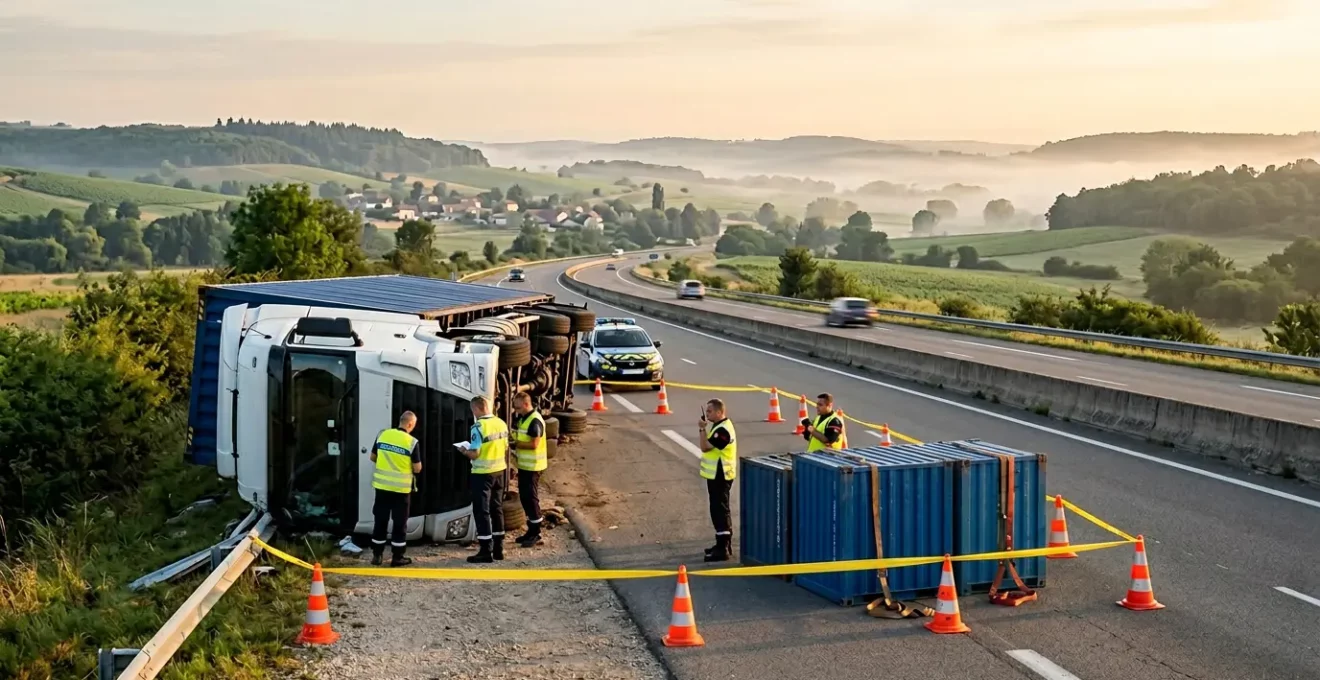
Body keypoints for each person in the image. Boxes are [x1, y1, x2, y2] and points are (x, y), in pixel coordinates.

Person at [462, 395, 509, 563]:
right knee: (497, 509)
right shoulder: (501, 423)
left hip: (482, 473)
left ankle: (485, 550)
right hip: (500, 471)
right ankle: (498, 548)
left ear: (476, 409)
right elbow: (505, 447)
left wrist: (464, 451)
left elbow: (475, 453)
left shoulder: (478, 427)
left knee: (482, 511)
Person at [370, 411, 421, 567]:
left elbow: (373, 457)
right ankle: (397, 557)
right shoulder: (412, 442)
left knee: (380, 520)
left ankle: (377, 556)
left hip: (382, 487)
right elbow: (417, 468)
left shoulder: (382, 435)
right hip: (401, 491)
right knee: (399, 523)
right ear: (410, 424)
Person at [697, 398, 737, 562]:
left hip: (721, 474)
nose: (707, 414)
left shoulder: (724, 431)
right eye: (706, 411)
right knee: (717, 509)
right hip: (716, 475)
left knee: (720, 510)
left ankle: (723, 548)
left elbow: (705, 447)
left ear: (720, 412)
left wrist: (701, 430)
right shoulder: (719, 427)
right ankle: (722, 544)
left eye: (710, 411)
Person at [511, 392, 548, 547]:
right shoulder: (523, 418)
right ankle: (531, 530)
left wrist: (515, 444)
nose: (516, 410)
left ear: (526, 404)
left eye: (518, 407)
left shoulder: (535, 421)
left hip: (533, 467)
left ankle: (536, 533)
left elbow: (534, 444)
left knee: (531, 498)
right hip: (525, 466)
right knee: (525, 498)